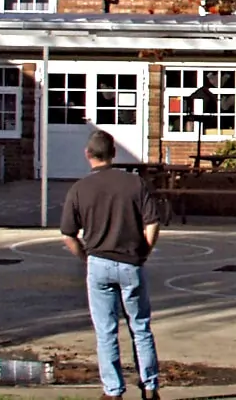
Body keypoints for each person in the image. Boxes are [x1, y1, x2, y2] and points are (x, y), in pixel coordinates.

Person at [60, 131, 163, 400]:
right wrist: (145, 251)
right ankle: (150, 386)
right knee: (140, 326)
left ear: (88, 155)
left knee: (106, 331)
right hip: (131, 261)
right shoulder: (134, 184)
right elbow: (152, 222)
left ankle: (113, 390)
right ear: (114, 153)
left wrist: (85, 256)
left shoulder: (79, 189)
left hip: (98, 262)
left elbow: (68, 234)